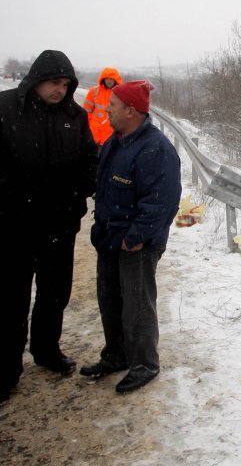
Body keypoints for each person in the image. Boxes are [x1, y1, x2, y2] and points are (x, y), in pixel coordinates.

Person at [0, 50, 98, 404]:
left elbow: (91, 160)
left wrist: (76, 192)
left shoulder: (74, 115)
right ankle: (6, 369)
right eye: (53, 82)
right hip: (14, 225)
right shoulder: (6, 108)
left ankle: (47, 350)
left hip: (60, 222)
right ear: (36, 79)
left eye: (65, 84)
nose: (60, 89)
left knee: (55, 291)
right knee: (11, 298)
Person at [82, 80, 181, 394]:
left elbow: (162, 201)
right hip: (110, 237)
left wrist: (135, 236)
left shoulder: (156, 148)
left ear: (131, 111)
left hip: (135, 243)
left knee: (137, 307)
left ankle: (144, 365)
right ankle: (117, 355)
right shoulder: (117, 140)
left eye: (112, 105)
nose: (107, 109)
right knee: (110, 300)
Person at [83, 67, 123, 145]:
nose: (108, 81)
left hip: (111, 134)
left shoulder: (121, 93)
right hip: (94, 133)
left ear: (115, 79)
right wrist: (88, 127)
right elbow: (86, 112)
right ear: (103, 79)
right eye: (106, 78)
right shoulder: (94, 91)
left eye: (111, 78)